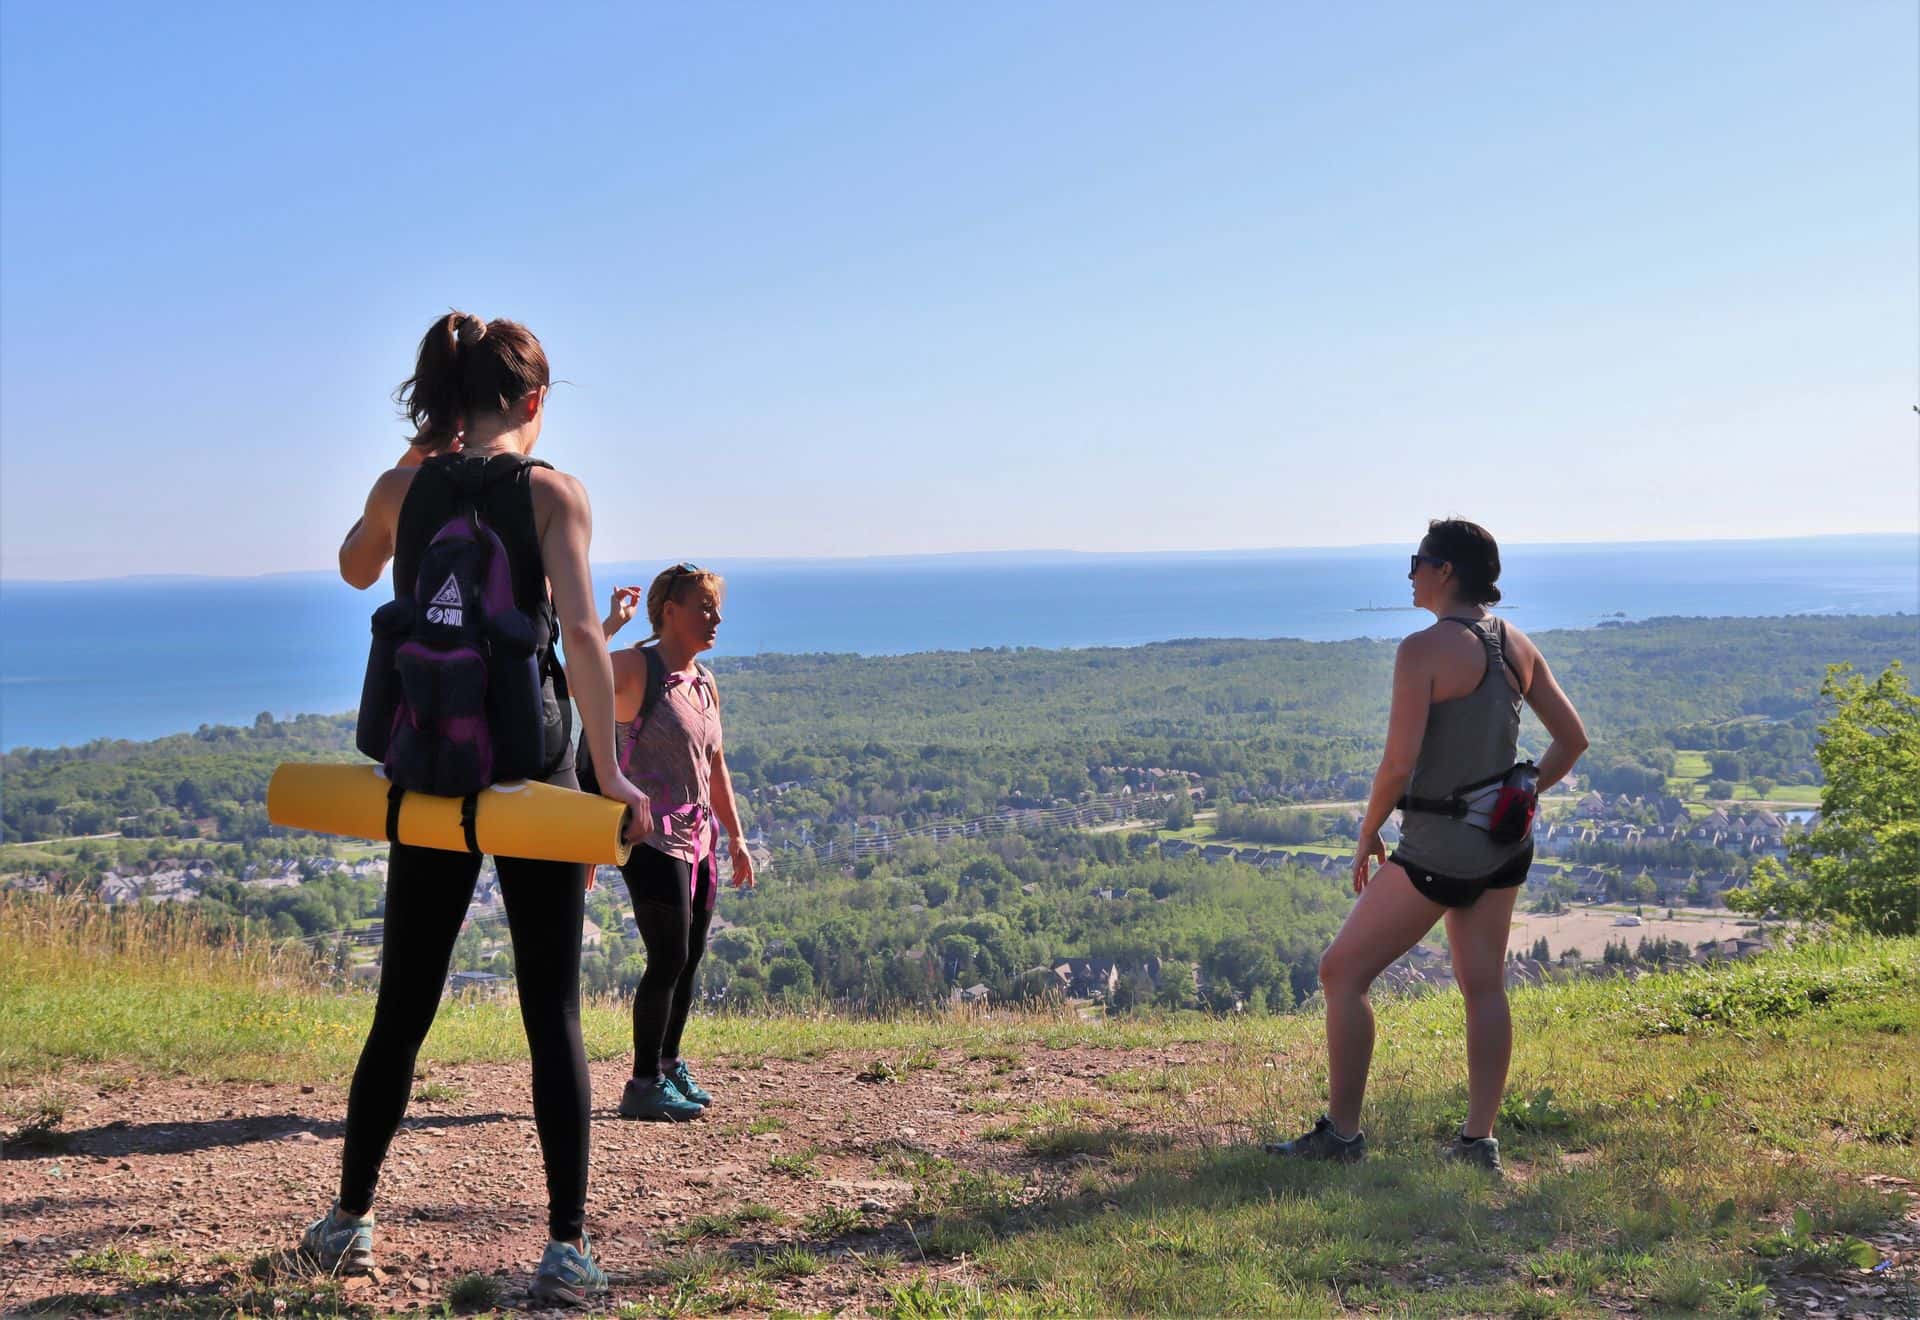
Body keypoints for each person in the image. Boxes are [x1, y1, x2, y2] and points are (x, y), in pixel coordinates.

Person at [301, 312, 652, 1306]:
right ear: (534, 402)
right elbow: (582, 638)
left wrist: (420, 454)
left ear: (445, 400)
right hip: (530, 772)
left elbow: (353, 568)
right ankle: (567, 1247)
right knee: (553, 1009)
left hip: (430, 766)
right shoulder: (553, 494)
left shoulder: (402, 489)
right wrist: (612, 774)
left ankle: (350, 1221)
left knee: (402, 1003)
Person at [1267, 519, 1587, 1175]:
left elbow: (1396, 763)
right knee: (1483, 988)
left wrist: (1368, 831)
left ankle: (1344, 1138)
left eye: (1417, 561)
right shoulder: (1516, 645)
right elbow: (1572, 740)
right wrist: (1521, 790)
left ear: (1445, 572)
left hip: (1440, 848)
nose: (1410, 574)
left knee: (1341, 973)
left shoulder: (1422, 651)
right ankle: (1478, 1143)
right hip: (1504, 846)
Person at [594, 564, 755, 1121]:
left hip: (700, 839)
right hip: (651, 838)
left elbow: (715, 764)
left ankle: (667, 1063)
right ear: (668, 611)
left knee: (688, 959)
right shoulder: (639, 668)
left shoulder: (704, 682)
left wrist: (735, 836)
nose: (716, 618)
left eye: (716, 608)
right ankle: (641, 1085)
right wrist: (611, 624)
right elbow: (575, 675)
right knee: (668, 956)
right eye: (703, 607)